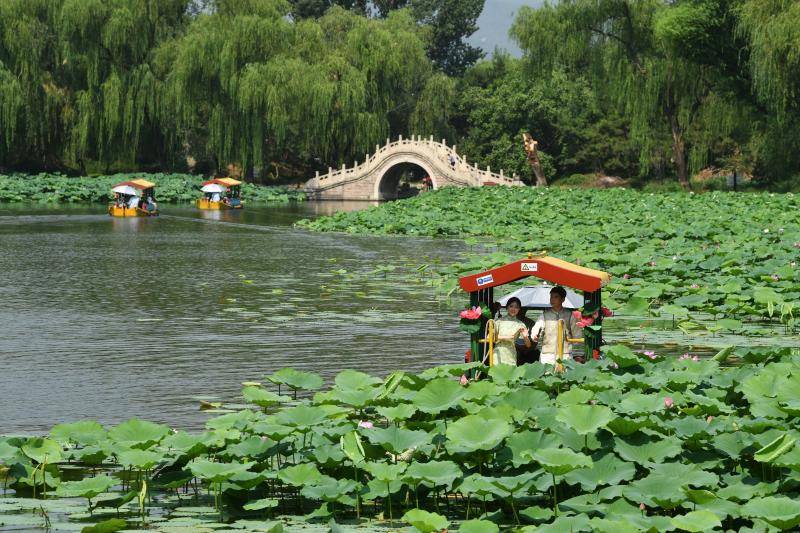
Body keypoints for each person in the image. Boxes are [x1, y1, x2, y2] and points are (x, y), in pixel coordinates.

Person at [531, 286, 582, 366]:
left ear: (563, 299)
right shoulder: (545, 315)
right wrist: (534, 335)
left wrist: (576, 353)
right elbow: (536, 327)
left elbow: (577, 335)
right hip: (547, 354)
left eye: (556, 297)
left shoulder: (570, 315)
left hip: (566, 353)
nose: (552, 299)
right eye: (551, 297)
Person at [493, 297, 530, 366]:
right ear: (507, 307)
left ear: (519, 309)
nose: (513, 309)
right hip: (497, 353)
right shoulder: (498, 321)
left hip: (511, 354)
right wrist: (505, 337)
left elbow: (528, 345)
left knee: (510, 375)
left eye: (516, 307)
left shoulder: (520, 324)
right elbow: (489, 337)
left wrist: (525, 337)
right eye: (511, 306)